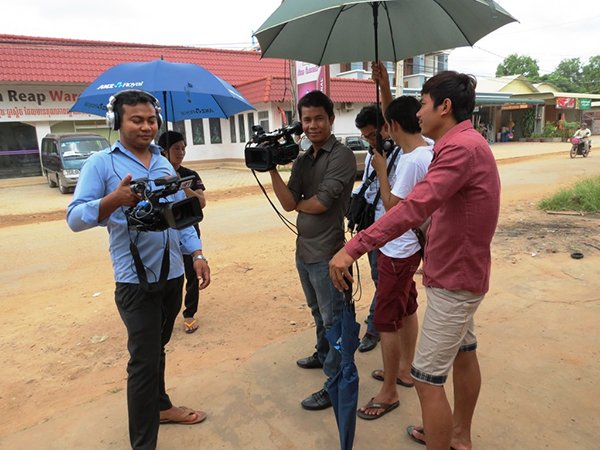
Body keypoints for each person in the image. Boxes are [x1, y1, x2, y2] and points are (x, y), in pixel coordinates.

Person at [329, 71, 500, 450]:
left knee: (425, 377)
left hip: (455, 280)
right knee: (463, 353)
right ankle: (457, 435)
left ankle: (452, 435)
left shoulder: (460, 150)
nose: (418, 112)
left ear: (445, 106)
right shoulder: (457, 144)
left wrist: (354, 246)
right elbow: (430, 209)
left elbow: (412, 208)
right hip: (457, 273)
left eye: (423, 104)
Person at [67, 90, 211, 450]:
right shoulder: (101, 164)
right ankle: (144, 444)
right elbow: (74, 218)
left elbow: (180, 217)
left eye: (151, 120)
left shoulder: (163, 163)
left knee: (157, 348)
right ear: (117, 122)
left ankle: (161, 407)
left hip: (173, 275)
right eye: (136, 120)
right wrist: (113, 199)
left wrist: (197, 253)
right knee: (144, 362)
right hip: (135, 282)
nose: (146, 127)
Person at [269, 90, 356, 410]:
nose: (313, 125)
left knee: (334, 320)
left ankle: (335, 384)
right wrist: (271, 169)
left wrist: (301, 205)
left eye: (319, 118)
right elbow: (288, 203)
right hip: (304, 251)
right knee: (318, 312)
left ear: (331, 119)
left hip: (329, 254)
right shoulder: (304, 159)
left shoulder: (342, 156)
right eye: (307, 119)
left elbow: (320, 203)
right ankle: (323, 355)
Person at [356, 95, 433, 420]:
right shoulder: (427, 149)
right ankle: (404, 369)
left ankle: (388, 392)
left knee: (386, 321)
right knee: (408, 306)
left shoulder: (412, 160)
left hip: (397, 249)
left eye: (385, 127)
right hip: (409, 247)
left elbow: (393, 208)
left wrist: (381, 171)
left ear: (394, 125)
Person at [352, 104, 401, 353]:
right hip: (372, 225)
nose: (371, 141)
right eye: (366, 137)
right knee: (377, 276)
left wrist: (382, 169)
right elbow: (368, 189)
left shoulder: (401, 156)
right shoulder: (373, 155)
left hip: (391, 230)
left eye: (373, 134)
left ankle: (375, 327)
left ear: (387, 128)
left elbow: (394, 199)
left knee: (383, 280)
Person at [158, 131, 206, 334]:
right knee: (165, 274)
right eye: (176, 148)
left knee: (192, 274)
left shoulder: (190, 175)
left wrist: (182, 186)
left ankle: (189, 313)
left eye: (183, 148)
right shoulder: (156, 176)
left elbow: (201, 202)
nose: (181, 152)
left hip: (189, 230)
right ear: (164, 151)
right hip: (165, 234)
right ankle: (162, 314)